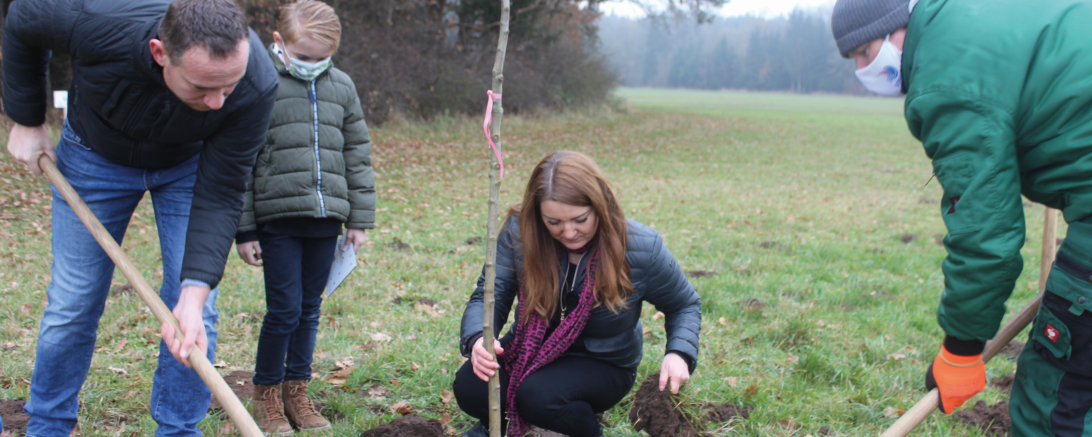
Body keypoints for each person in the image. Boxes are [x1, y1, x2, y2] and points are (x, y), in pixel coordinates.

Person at [2, 0, 278, 435]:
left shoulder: (257, 83)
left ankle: (178, 430)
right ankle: (48, 426)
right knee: (73, 302)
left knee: (195, 317)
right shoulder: (95, 19)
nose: (218, 100)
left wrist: (193, 291)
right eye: (202, 86)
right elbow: (21, 21)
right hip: (94, 155)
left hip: (189, 164)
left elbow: (222, 190)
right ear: (159, 53)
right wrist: (26, 118)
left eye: (230, 85)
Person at [831, 0, 1092, 435]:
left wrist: (961, 349)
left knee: (1052, 403)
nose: (862, 70)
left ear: (897, 27)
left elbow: (984, 231)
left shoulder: (945, 75)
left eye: (864, 52)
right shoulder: (974, 15)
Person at [453, 151, 702, 437]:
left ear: (599, 206)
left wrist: (679, 353)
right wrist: (477, 339)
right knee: (472, 387)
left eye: (580, 219)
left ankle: (586, 430)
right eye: (554, 222)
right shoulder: (520, 233)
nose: (569, 232)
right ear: (538, 215)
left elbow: (684, 304)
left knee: (538, 396)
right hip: (530, 346)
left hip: (602, 361)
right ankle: (496, 427)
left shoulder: (641, 247)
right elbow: (489, 294)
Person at [233, 1, 374, 434]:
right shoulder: (259, 84)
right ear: (279, 42)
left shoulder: (343, 86)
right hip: (277, 221)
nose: (313, 65)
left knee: (310, 309)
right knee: (284, 310)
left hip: (326, 219)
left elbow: (357, 153)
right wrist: (245, 229)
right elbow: (241, 160)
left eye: (322, 57)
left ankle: (298, 390)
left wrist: (359, 219)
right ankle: (267, 395)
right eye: (304, 56)